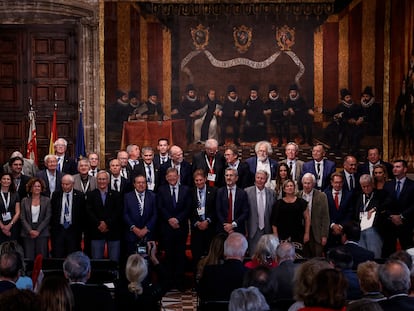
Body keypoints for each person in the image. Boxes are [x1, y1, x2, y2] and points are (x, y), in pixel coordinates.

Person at [157, 167, 191, 291]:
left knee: (180, 256)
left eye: (174, 176)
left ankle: (179, 282)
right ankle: (168, 282)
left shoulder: (186, 190)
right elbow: (160, 207)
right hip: (167, 228)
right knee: (169, 255)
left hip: (181, 228)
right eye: (169, 176)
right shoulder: (161, 190)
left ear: (178, 177)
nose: (172, 178)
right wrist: (170, 219)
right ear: (166, 178)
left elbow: (188, 207)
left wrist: (177, 219)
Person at [114, 241, 165, 311]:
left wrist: (135, 260)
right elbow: (165, 279)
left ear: (127, 271)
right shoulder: (152, 291)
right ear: (145, 271)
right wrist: (153, 257)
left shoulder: (119, 291)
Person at [198, 232, 248, 302]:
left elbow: (202, 295)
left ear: (225, 252)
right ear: (244, 253)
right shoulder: (250, 275)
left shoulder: (209, 271)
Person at [86, 170, 123, 262]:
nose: (102, 181)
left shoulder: (116, 195)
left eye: (104, 179)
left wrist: (107, 223)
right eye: (99, 179)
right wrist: (99, 223)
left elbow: (118, 211)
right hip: (96, 231)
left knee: (114, 262)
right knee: (97, 261)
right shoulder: (90, 194)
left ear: (108, 180)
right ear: (96, 180)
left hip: (113, 231)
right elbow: (89, 211)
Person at [382, 159, 414, 257]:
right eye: (394, 167)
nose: (394, 169)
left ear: (404, 169)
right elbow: (383, 205)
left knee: (407, 251)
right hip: (390, 223)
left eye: (398, 167)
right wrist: (392, 216)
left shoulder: (412, 185)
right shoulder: (387, 185)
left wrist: (401, 216)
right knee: (388, 251)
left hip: (406, 222)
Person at [50, 174, 85, 258]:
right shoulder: (56, 195)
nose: (64, 186)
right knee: (58, 254)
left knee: (73, 255)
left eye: (67, 184)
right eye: (62, 184)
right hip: (59, 230)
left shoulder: (80, 195)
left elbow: (82, 214)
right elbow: (53, 212)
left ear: (72, 184)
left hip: (73, 230)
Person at [271, 180, 310, 254]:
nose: (289, 188)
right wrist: (276, 237)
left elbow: (307, 218)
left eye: (291, 186)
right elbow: (274, 222)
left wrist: (307, 233)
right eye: (287, 186)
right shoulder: (278, 204)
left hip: (298, 235)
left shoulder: (302, 202)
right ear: (284, 189)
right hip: (282, 235)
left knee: (298, 257)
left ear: (294, 188)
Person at [123, 174, 157, 255]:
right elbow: (125, 214)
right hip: (132, 235)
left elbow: (155, 214)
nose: (141, 184)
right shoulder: (127, 196)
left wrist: (146, 228)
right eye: (138, 183)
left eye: (143, 182)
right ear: (134, 184)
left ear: (146, 184)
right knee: (133, 262)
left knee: (147, 262)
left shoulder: (153, 196)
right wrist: (134, 228)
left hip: (148, 235)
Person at [190, 169, 218, 267]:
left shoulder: (214, 191)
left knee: (210, 256)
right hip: (196, 229)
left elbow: (216, 209)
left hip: (210, 229)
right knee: (196, 257)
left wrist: (207, 221)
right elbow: (189, 210)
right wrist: (197, 223)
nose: (199, 182)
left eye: (201, 180)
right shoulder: (190, 192)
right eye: (196, 180)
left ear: (205, 179)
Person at [299, 173, 330, 258]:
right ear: (302, 183)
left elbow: (325, 217)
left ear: (313, 184)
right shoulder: (298, 195)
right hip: (302, 231)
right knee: (303, 257)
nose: (307, 185)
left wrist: (324, 235)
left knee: (317, 257)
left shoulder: (321, 196)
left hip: (317, 232)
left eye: (309, 183)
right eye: (305, 183)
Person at [20, 178, 51, 260]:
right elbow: (22, 217)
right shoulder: (24, 201)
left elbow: (47, 217)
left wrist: (38, 231)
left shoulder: (47, 200)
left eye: (39, 186)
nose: (37, 188)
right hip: (27, 232)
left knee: (41, 257)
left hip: (42, 232)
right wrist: (30, 230)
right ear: (30, 188)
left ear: (41, 188)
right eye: (34, 186)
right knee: (28, 257)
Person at [245, 170, 276, 252]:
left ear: (266, 180)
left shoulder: (272, 193)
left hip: (267, 229)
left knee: (267, 255)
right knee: (253, 256)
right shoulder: (247, 192)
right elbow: (245, 212)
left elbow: (273, 213)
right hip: (252, 230)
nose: (259, 180)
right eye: (258, 178)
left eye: (262, 178)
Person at [354, 174, 384, 258]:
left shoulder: (379, 195)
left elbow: (388, 204)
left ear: (372, 184)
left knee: (374, 254)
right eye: (363, 187)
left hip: (374, 229)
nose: (366, 189)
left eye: (368, 186)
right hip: (360, 229)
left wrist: (375, 208)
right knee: (362, 254)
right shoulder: (359, 196)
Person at [216, 167, 249, 235]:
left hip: (238, 228)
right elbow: (218, 210)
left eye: (231, 175)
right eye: (227, 175)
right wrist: (226, 226)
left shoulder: (242, 193)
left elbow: (245, 212)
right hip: (223, 229)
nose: (228, 177)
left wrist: (233, 225)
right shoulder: (220, 192)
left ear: (236, 178)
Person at [324, 172, 353, 250]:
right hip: (329, 232)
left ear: (343, 183)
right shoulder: (324, 195)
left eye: (340, 182)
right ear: (331, 182)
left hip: (343, 232)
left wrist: (340, 226)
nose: (338, 185)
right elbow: (324, 213)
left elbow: (350, 213)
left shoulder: (349, 195)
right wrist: (333, 225)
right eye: (336, 182)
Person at [0, 173, 21, 244]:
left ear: (11, 181)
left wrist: (9, 225)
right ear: (0, 181)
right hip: (0, 225)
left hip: (12, 226)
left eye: (8, 179)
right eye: (4, 179)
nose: (6, 181)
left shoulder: (15, 194)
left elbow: (18, 212)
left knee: (12, 250)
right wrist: (3, 227)